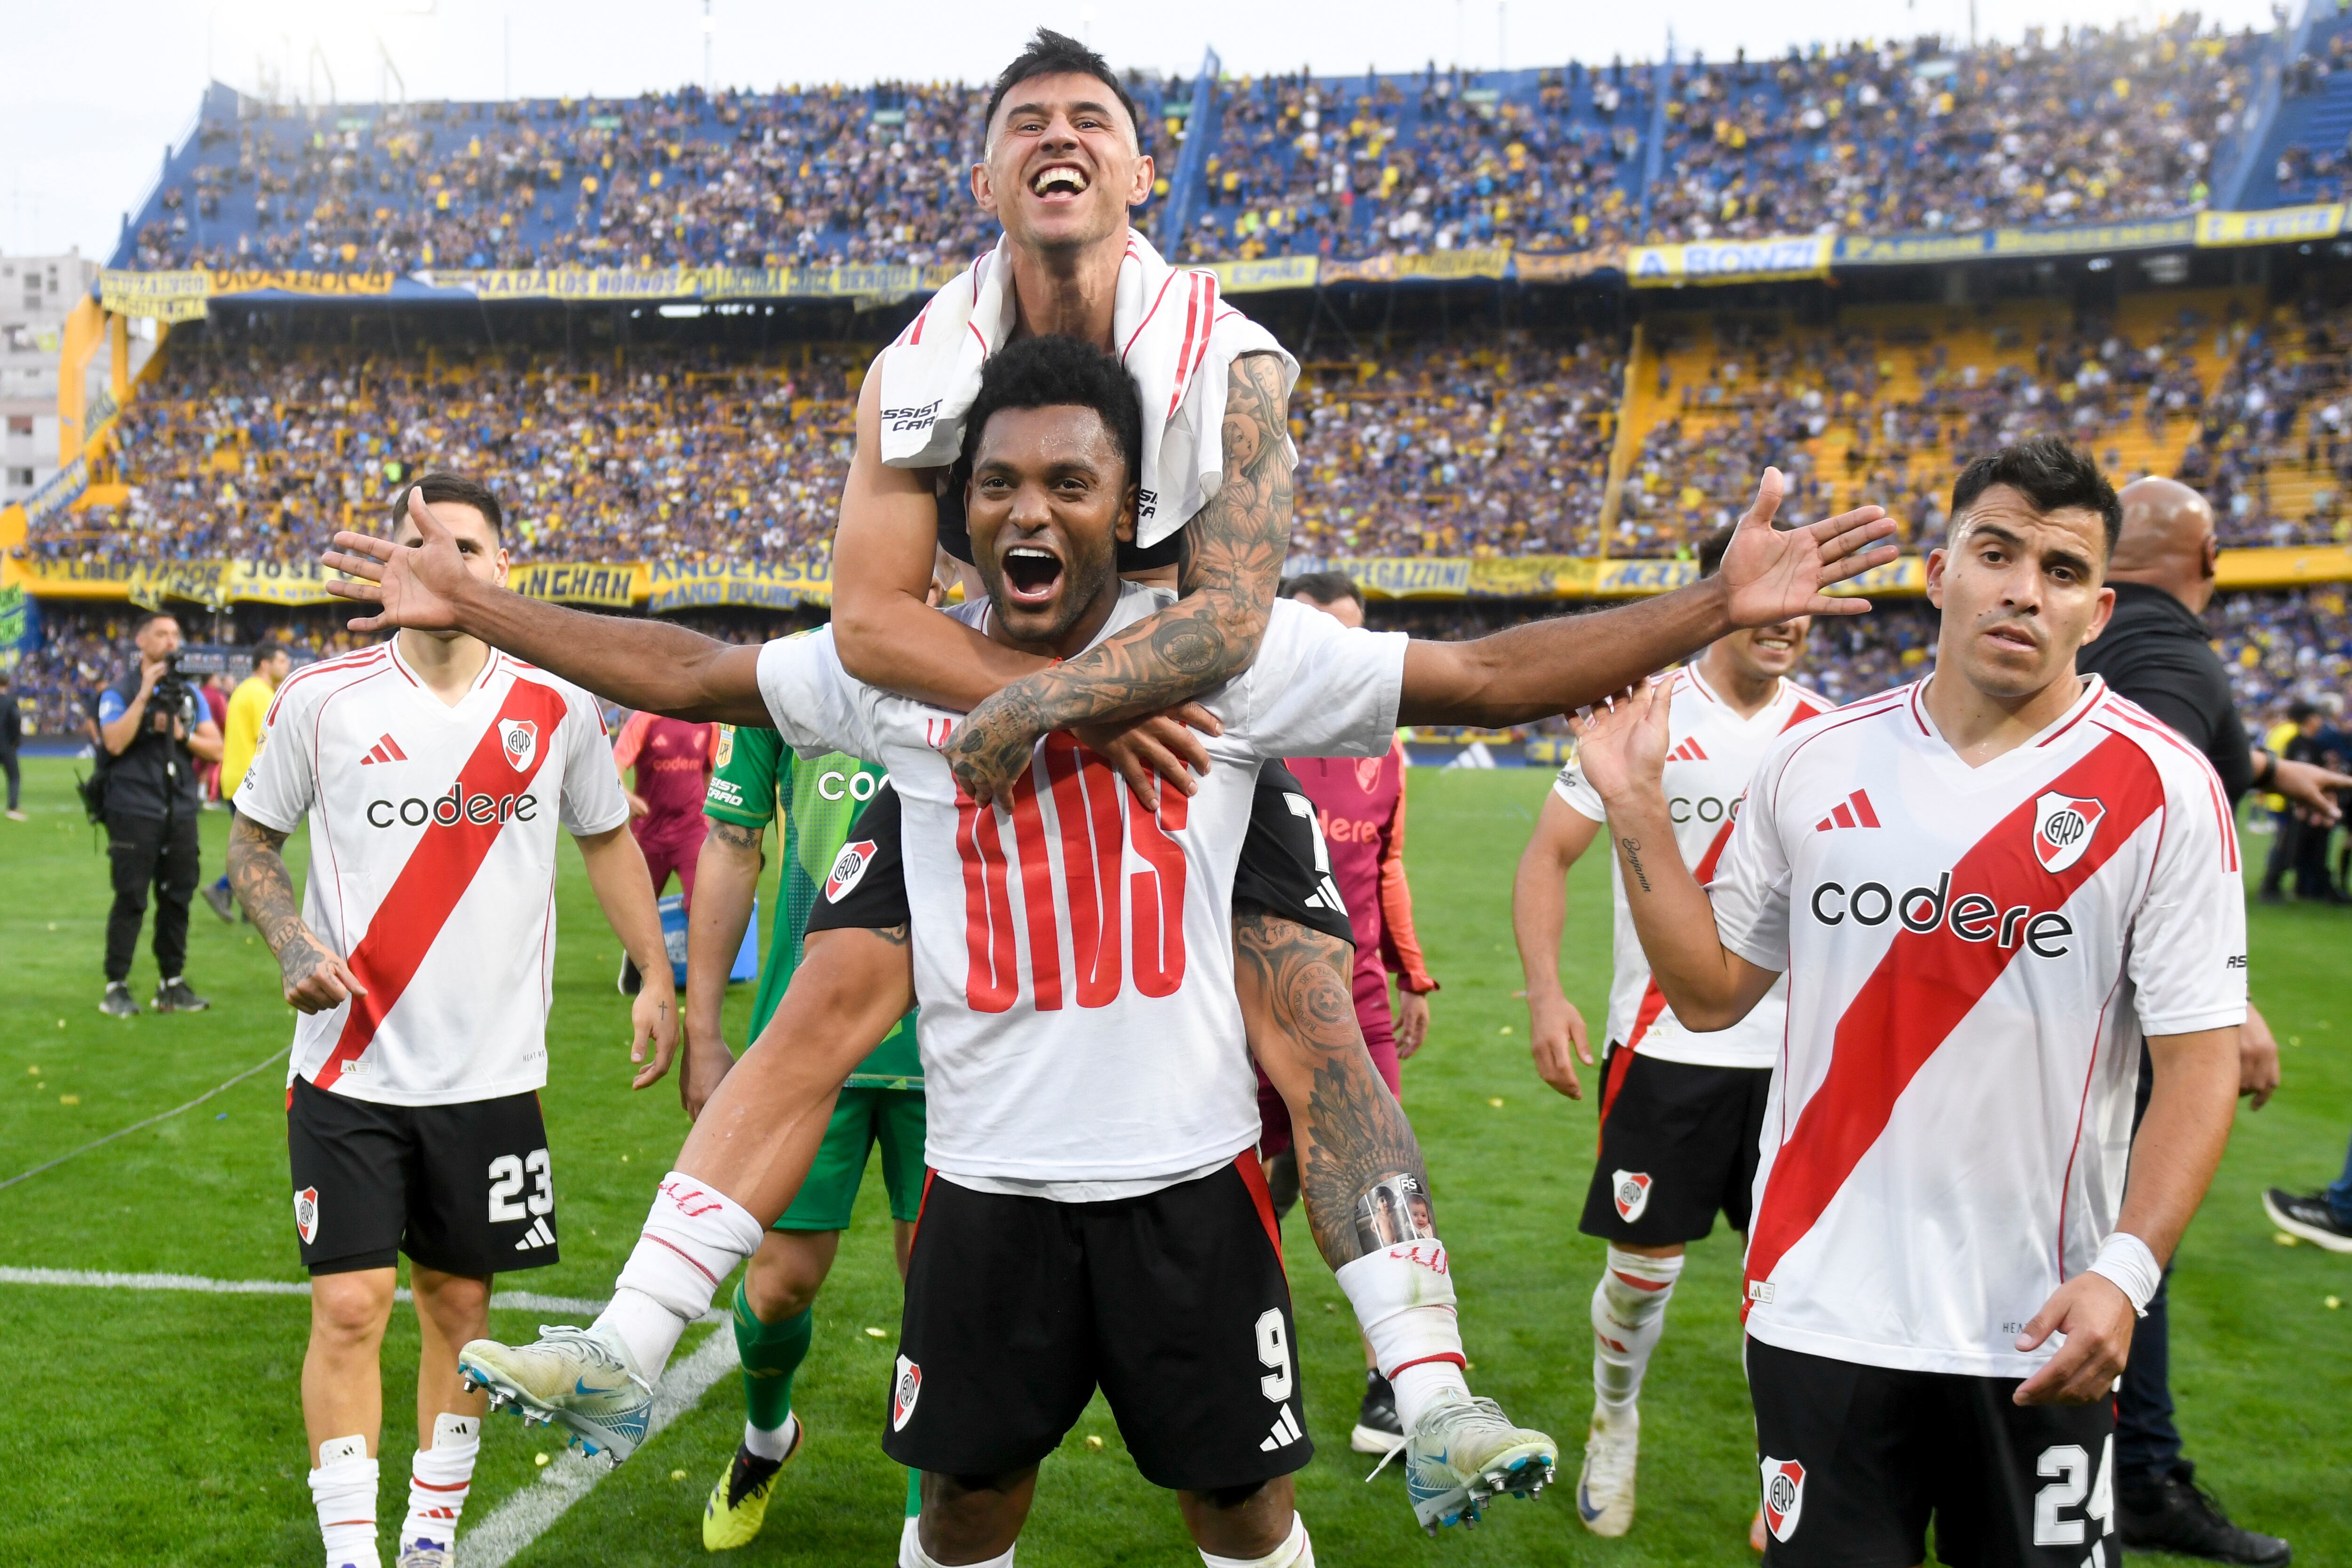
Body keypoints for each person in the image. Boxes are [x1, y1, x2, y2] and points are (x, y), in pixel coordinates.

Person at [323, 333, 1899, 1565]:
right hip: (990, 1198)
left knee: (1241, 1511)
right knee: (961, 1510)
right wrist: (486, 603)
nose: (1031, 507)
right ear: (958, 513)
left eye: (1071, 481)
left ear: (1126, 513)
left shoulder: (1235, 661)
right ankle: (636, 1330)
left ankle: (1429, 1384)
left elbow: (1484, 676)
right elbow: (692, 667)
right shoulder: (894, 673)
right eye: (999, 481)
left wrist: (1704, 605)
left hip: (1185, 1191)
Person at [1569, 436, 2251, 1568]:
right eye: (1996, 551)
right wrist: (1637, 804)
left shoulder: (2164, 788)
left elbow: (2198, 1061)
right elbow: (1706, 994)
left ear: (2099, 606)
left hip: (2038, 1324)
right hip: (1820, 1307)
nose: (2024, 589)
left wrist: (2126, 1272)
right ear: (1940, 572)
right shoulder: (1816, 762)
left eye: (2063, 570)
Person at [226, 472, 676, 1568]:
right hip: (348, 1068)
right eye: (424, 543)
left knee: (457, 1307)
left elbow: (606, 838)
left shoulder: (558, 703)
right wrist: (291, 941)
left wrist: (654, 974)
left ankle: (428, 1541)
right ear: (395, 566)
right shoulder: (323, 701)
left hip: (489, 1078)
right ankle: (351, 1554)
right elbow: (250, 844)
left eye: (468, 546)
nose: (448, 563)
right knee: (347, 1305)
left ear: (501, 572)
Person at [1512, 521, 1828, 1546]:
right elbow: (1547, 857)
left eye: (1804, 600)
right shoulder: (1645, 711)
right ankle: (1614, 1413)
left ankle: (1791, 1474)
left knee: (1790, 1285)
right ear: (1719, 596)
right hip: (1662, 1049)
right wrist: (1546, 991)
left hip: (1796, 1062)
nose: (1787, 620)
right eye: (1767, 597)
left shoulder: (1834, 732)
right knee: (1643, 1272)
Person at [2074, 475, 2319, 1565]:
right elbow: (2145, 804)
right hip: (2116, 1002)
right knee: (2127, 1237)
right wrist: (2225, 1000)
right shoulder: (2174, 655)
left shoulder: (2118, 641)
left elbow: (2165, 751)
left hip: (2034, 983)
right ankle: (2119, 1480)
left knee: (2105, 1230)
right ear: (2209, 556)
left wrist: (2265, 766)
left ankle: (2122, 1468)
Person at [686, 729, 926, 1553]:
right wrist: (705, 1027)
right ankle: (765, 1440)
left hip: (958, 1050)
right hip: (807, 1038)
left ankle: (930, 1520)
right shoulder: (789, 682)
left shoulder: (992, 661)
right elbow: (730, 842)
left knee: (942, 1294)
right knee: (780, 1282)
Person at [1261, 570, 1441, 1458]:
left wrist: (1412, 972)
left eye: (1353, 637)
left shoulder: (1384, 746)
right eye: (1318, 633)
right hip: (1245, 1009)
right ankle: (1242, 1351)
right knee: (1244, 1195)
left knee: (1383, 1184)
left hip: (1358, 1003)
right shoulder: (1237, 732)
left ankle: (1392, 1383)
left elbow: (1386, 863)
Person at [95, 609, 223, 1016]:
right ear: (142, 641)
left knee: (178, 897)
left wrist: (182, 734)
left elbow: (216, 748)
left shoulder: (190, 693)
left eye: (175, 634)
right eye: (162, 634)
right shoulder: (119, 690)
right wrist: (144, 696)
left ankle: (172, 982)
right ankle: (116, 985)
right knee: (131, 898)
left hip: (179, 808)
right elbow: (114, 742)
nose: (171, 642)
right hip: (133, 808)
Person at [610, 707, 718, 992]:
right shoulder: (645, 719)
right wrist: (627, 797)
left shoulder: (707, 723)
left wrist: (716, 819)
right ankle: (635, 970)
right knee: (642, 906)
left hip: (693, 829)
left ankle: (700, 980)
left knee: (701, 903)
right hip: (650, 832)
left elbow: (713, 773)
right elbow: (616, 764)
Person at [202, 639, 294, 923]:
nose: (287, 665)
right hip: (251, 779)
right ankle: (221, 889)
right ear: (265, 664)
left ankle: (247, 909)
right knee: (260, 849)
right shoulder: (261, 694)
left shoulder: (245, 690)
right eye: (281, 661)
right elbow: (271, 739)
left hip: (236, 775)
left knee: (255, 845)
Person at [1, 669, 23, 820]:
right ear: (8, 683)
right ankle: (13, 808)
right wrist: (16, 740)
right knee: (14, 777)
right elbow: (16, 721)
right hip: (6, 745)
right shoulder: (10, 701)